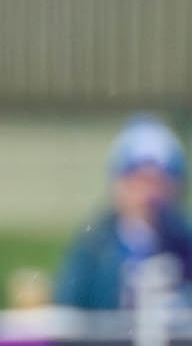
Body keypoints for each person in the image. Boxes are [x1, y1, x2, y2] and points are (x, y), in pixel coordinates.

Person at [54, 114, 192, 309]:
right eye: (139, 181)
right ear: (119, 185)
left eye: (159, 182)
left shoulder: (183, 241)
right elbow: (69, 303)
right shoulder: (95, 246)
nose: (149, 193)